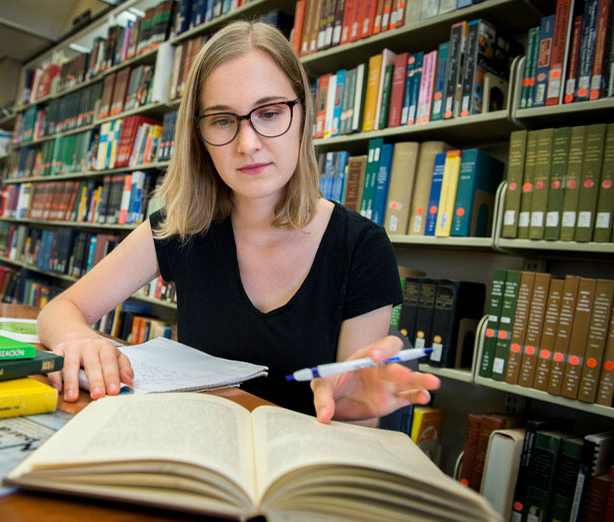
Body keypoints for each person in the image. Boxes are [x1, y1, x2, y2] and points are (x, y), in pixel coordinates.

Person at [37, 20, 440, 424]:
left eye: (269, 113)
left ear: (302, 115)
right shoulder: (180, 228)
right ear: (199, 134)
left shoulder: (361, 247)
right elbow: (60, 309)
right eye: (222, 120)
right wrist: (79, 337)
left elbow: (359, 419)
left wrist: (351, 407)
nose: (248, 144)